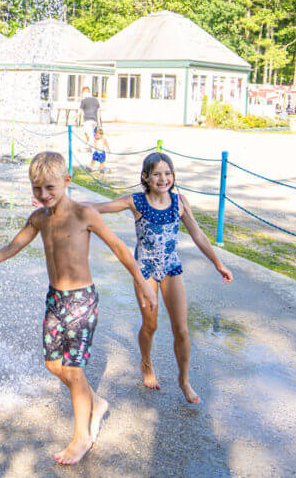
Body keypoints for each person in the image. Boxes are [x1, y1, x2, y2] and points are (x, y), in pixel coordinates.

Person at [0, 151, 154, 466]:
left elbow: (118, 246)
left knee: (74, 370)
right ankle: (96, 402)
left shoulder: (83, 214)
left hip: (82, 301)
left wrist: (143, 283)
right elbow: (13, 246)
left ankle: (81, 438)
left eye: (50, 187)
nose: (43, 195)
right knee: (53, 365)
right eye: (37, 189)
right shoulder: (39, 219)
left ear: (66, 182)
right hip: (55, 300)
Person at [91, 153, 233, 404]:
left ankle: (184, 380)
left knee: (182, 329)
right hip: (144, 272)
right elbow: (97, 208)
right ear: (145, 177)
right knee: (151, 325)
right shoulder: (136, 202)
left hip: (171, 268)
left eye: (167, 173)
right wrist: (60, 203)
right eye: (156, 173)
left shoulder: (179, 202)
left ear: (173, 176)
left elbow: (198, 235)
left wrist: (218, 263)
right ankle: (146, 363)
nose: (163, 178)